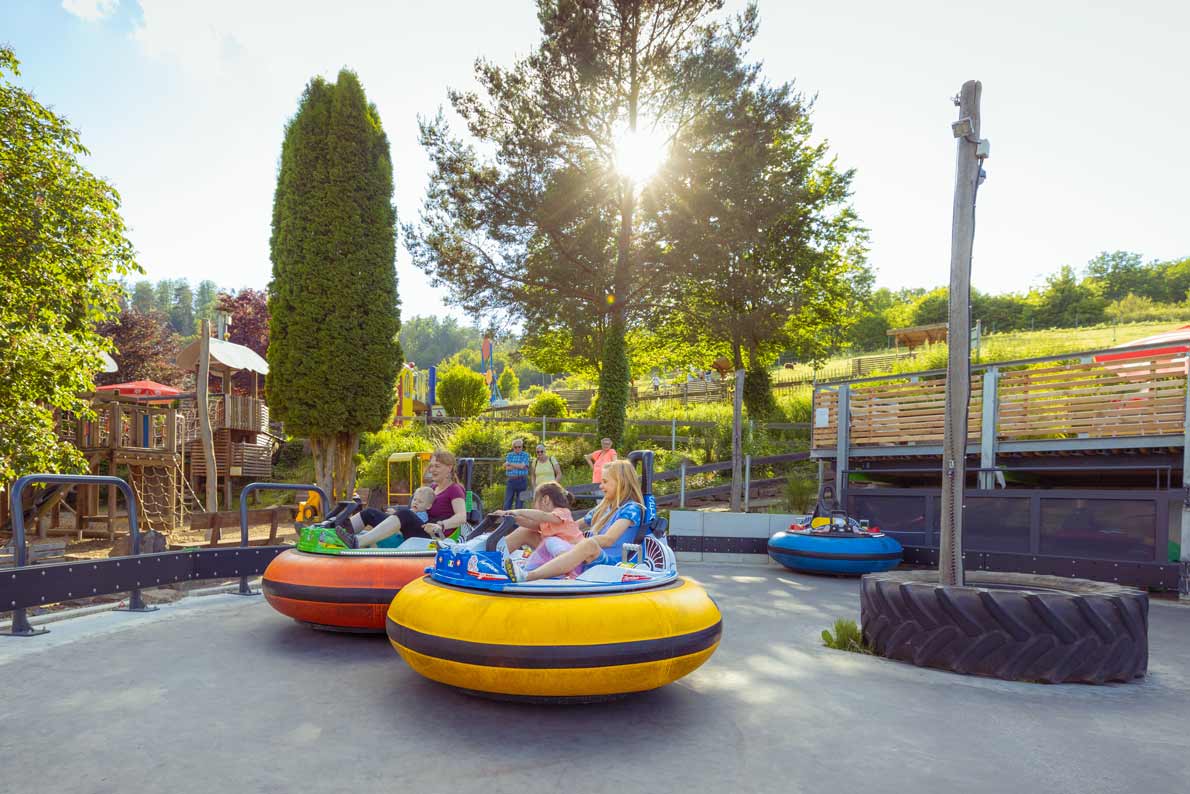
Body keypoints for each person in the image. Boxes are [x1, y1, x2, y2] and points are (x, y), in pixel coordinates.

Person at [505, 459, 643, 582]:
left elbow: (608, 540)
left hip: (608, 562)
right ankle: (491, 561)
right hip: (583, 555)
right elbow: (570, 527)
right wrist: (543, 529)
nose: (600, 486)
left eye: (605, 482)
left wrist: (577, 545)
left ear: (621, 483)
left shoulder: (631, 509)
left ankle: (527, 576)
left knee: (588, 544)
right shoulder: (603, 508)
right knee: (527, 531)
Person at [336, 449, 468, 548]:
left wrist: (441, 525)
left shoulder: (455, 489)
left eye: (437, 466)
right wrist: (397, 514)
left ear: (449, 468)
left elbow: (462, 517)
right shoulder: (432, 488)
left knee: (405, 514)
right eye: (431, 465)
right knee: (370, 513)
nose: (432, 469)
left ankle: (357, 542)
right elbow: (419, 511)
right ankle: (336, 537)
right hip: (420, 527)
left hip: (434, 536)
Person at [493, 482, 583, 575]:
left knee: (551, 540)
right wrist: (510, 517)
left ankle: (565, 572)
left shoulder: (562, 512)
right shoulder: (545, 521)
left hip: (573, 558)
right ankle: (494, 556)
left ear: (545, 500)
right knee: (525, 531)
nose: (534, 506)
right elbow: (530, 524)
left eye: (535, 501)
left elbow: (543, 516)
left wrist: (516, 511)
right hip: (554, 555)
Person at [503, 438, 532, 510]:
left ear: (522, 447)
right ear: (513, 447)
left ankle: (517, 521)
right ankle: (506, 519)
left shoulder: (526, 455)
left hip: (522, 480)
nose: (518, 448)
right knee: (507, 502)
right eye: (516, 447)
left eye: (519, 447)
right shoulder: (509, 455)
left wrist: (510, 464)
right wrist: (518, 466)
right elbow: (507, 468)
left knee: (520, 503)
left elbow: (523, 466)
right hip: (511, 481)